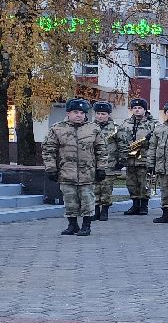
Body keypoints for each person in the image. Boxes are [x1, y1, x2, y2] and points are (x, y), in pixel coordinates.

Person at [42, 98, 107, 237]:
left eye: (82, 113)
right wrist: (51, 168)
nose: (79, 115)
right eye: (75, 112)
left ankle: (86, 226)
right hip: (66, 172)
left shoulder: (93, 129)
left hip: (87, 172)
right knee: (70, 200)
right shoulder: (57, 129)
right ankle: (72, 225)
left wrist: (101, 168)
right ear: (68, 113)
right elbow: (49, 150)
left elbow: (101, 150)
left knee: (87, 200)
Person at [117, 97, 157, 215]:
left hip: (145, 158)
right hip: (130, 158)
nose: (137, 110)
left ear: (145, 109)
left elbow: (157, 142)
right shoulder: (126, 123)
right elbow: (120, 139)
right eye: (135, 108)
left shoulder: (153, 124)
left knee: (144, 183)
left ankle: (144, 206)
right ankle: (135, 204)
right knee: (131, 183)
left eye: (140, 108)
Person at [89, 101, 121, 222]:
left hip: (110, 163)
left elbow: (122, 145)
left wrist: (121, 160)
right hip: (93, 163)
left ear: (108, 115)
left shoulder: (116, 128)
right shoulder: (90, 127)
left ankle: (105, 210)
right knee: (94, 187)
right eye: (98, 114)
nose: (100, 116)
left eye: (103, 114)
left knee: (106, 188)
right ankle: (95, 209)